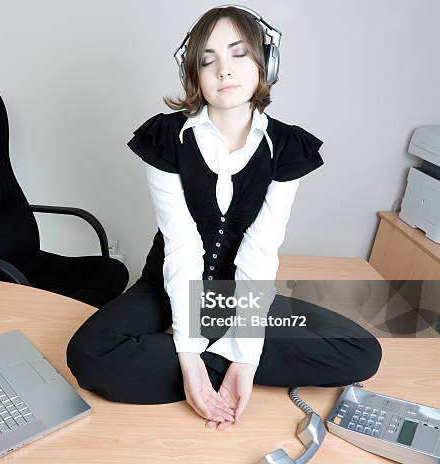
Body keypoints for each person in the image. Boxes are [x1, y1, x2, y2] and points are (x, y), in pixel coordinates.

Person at [66, 5, 382, 432]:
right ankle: (202, 359)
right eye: (207, 60)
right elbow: (182, 246)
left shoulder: (286, 146)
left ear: (264, 63)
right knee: (87, 355)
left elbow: (260, 248)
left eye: (237, 54)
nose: (223, 71)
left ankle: (213, 358)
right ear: (194, 74)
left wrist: (244, 357)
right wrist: (189, 353)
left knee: (361, 351)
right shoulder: (166, 138)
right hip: (167, 285)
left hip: (242, 295)